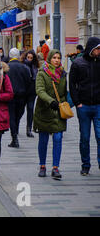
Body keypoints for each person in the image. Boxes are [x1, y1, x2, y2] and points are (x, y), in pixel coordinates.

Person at [34, 49, 68, 180]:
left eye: (58, 58)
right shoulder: (42, 73)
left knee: (58, 138)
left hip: (58, 111)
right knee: (43, 139)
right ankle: (42, 166)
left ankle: (55, 167)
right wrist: (50, 101)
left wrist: (66, 104)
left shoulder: (62, 74)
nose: (57, 60)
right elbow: (39, 90)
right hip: (44, 110)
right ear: (49, 59)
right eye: (54, 57)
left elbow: (64, 92)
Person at [69, 37, 100, 176]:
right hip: (84, 106)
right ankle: (85, 165)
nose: (99, 51)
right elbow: (72, 85)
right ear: (92, 49)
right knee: (85, 138)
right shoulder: (78, 63)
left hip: (98, 106)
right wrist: (77, 103)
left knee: (99, 137)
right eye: (98, 49)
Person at [7, 48, 32, 148]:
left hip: (10, 97)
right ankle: (15, 131)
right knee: (18, 115)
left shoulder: (7, 67)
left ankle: (14, 137)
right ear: (18, 56)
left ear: (10, 56)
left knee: (11, 116)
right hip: (22, 96)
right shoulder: (24, 68)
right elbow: (28, 82)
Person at [22, 50, 40, 138]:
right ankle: (16, 126)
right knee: (21, 111)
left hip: (32, 92)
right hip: (24, 92)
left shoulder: (35, 67)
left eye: (31, 58)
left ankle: (29, 129)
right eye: (28, 57)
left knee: (30, 110)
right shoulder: (23, 66)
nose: (29, 59)